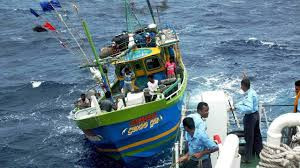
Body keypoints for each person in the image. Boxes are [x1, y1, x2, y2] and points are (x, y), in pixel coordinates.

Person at [233, 77, 263, 163]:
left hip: (250, 118)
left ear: (243, 86)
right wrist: (238, 104)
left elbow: (249, 108)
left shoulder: (249, 94)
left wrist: (237, 107)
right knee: (257, 136)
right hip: (256, 116)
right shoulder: (252, 91)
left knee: (249, 138)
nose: (240, 87)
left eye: (241, 86)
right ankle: (259, 153)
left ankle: (247, 158)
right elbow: (245, 101)